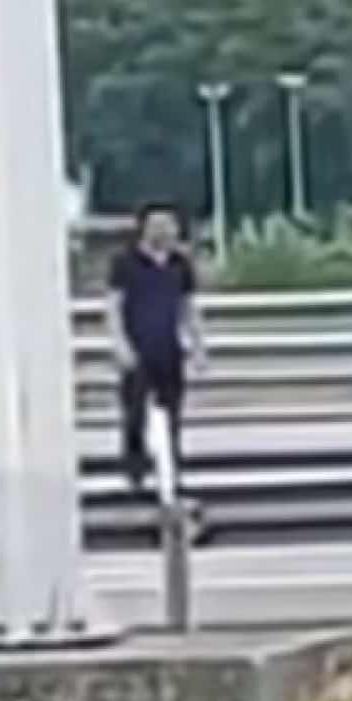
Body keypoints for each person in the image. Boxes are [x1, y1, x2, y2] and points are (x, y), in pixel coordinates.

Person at [106, 202, 205, 492]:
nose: (165, 231)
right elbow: (114, 305)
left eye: (169, 225)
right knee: (134, 413)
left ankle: (171, 471)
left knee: (172, 413)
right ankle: (134, 471)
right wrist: (119, 343)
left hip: (168, 348)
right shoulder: (125, 262)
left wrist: (198, 345)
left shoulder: (180, 264)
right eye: (158, 225)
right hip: (138, 347)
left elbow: (189, 307)